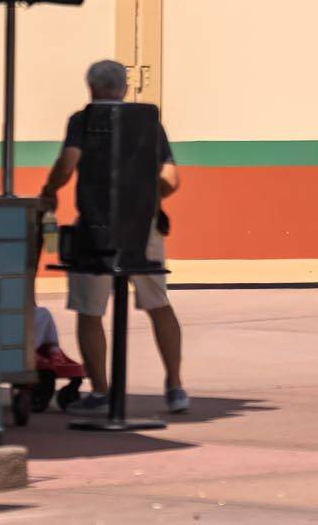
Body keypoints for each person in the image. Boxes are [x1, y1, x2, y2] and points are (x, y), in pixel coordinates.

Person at [37, 58, 187, 415]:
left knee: (90, 310)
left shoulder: (82, 120)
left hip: (95, 228)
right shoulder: (148, 121)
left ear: (91, 87)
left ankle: (101, 391)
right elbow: (171, 179)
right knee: (158, 303)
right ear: (124, 88)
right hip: (144, 228)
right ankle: (176, 386)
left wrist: (50, 188)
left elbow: (68, 163)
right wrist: (145, 200)